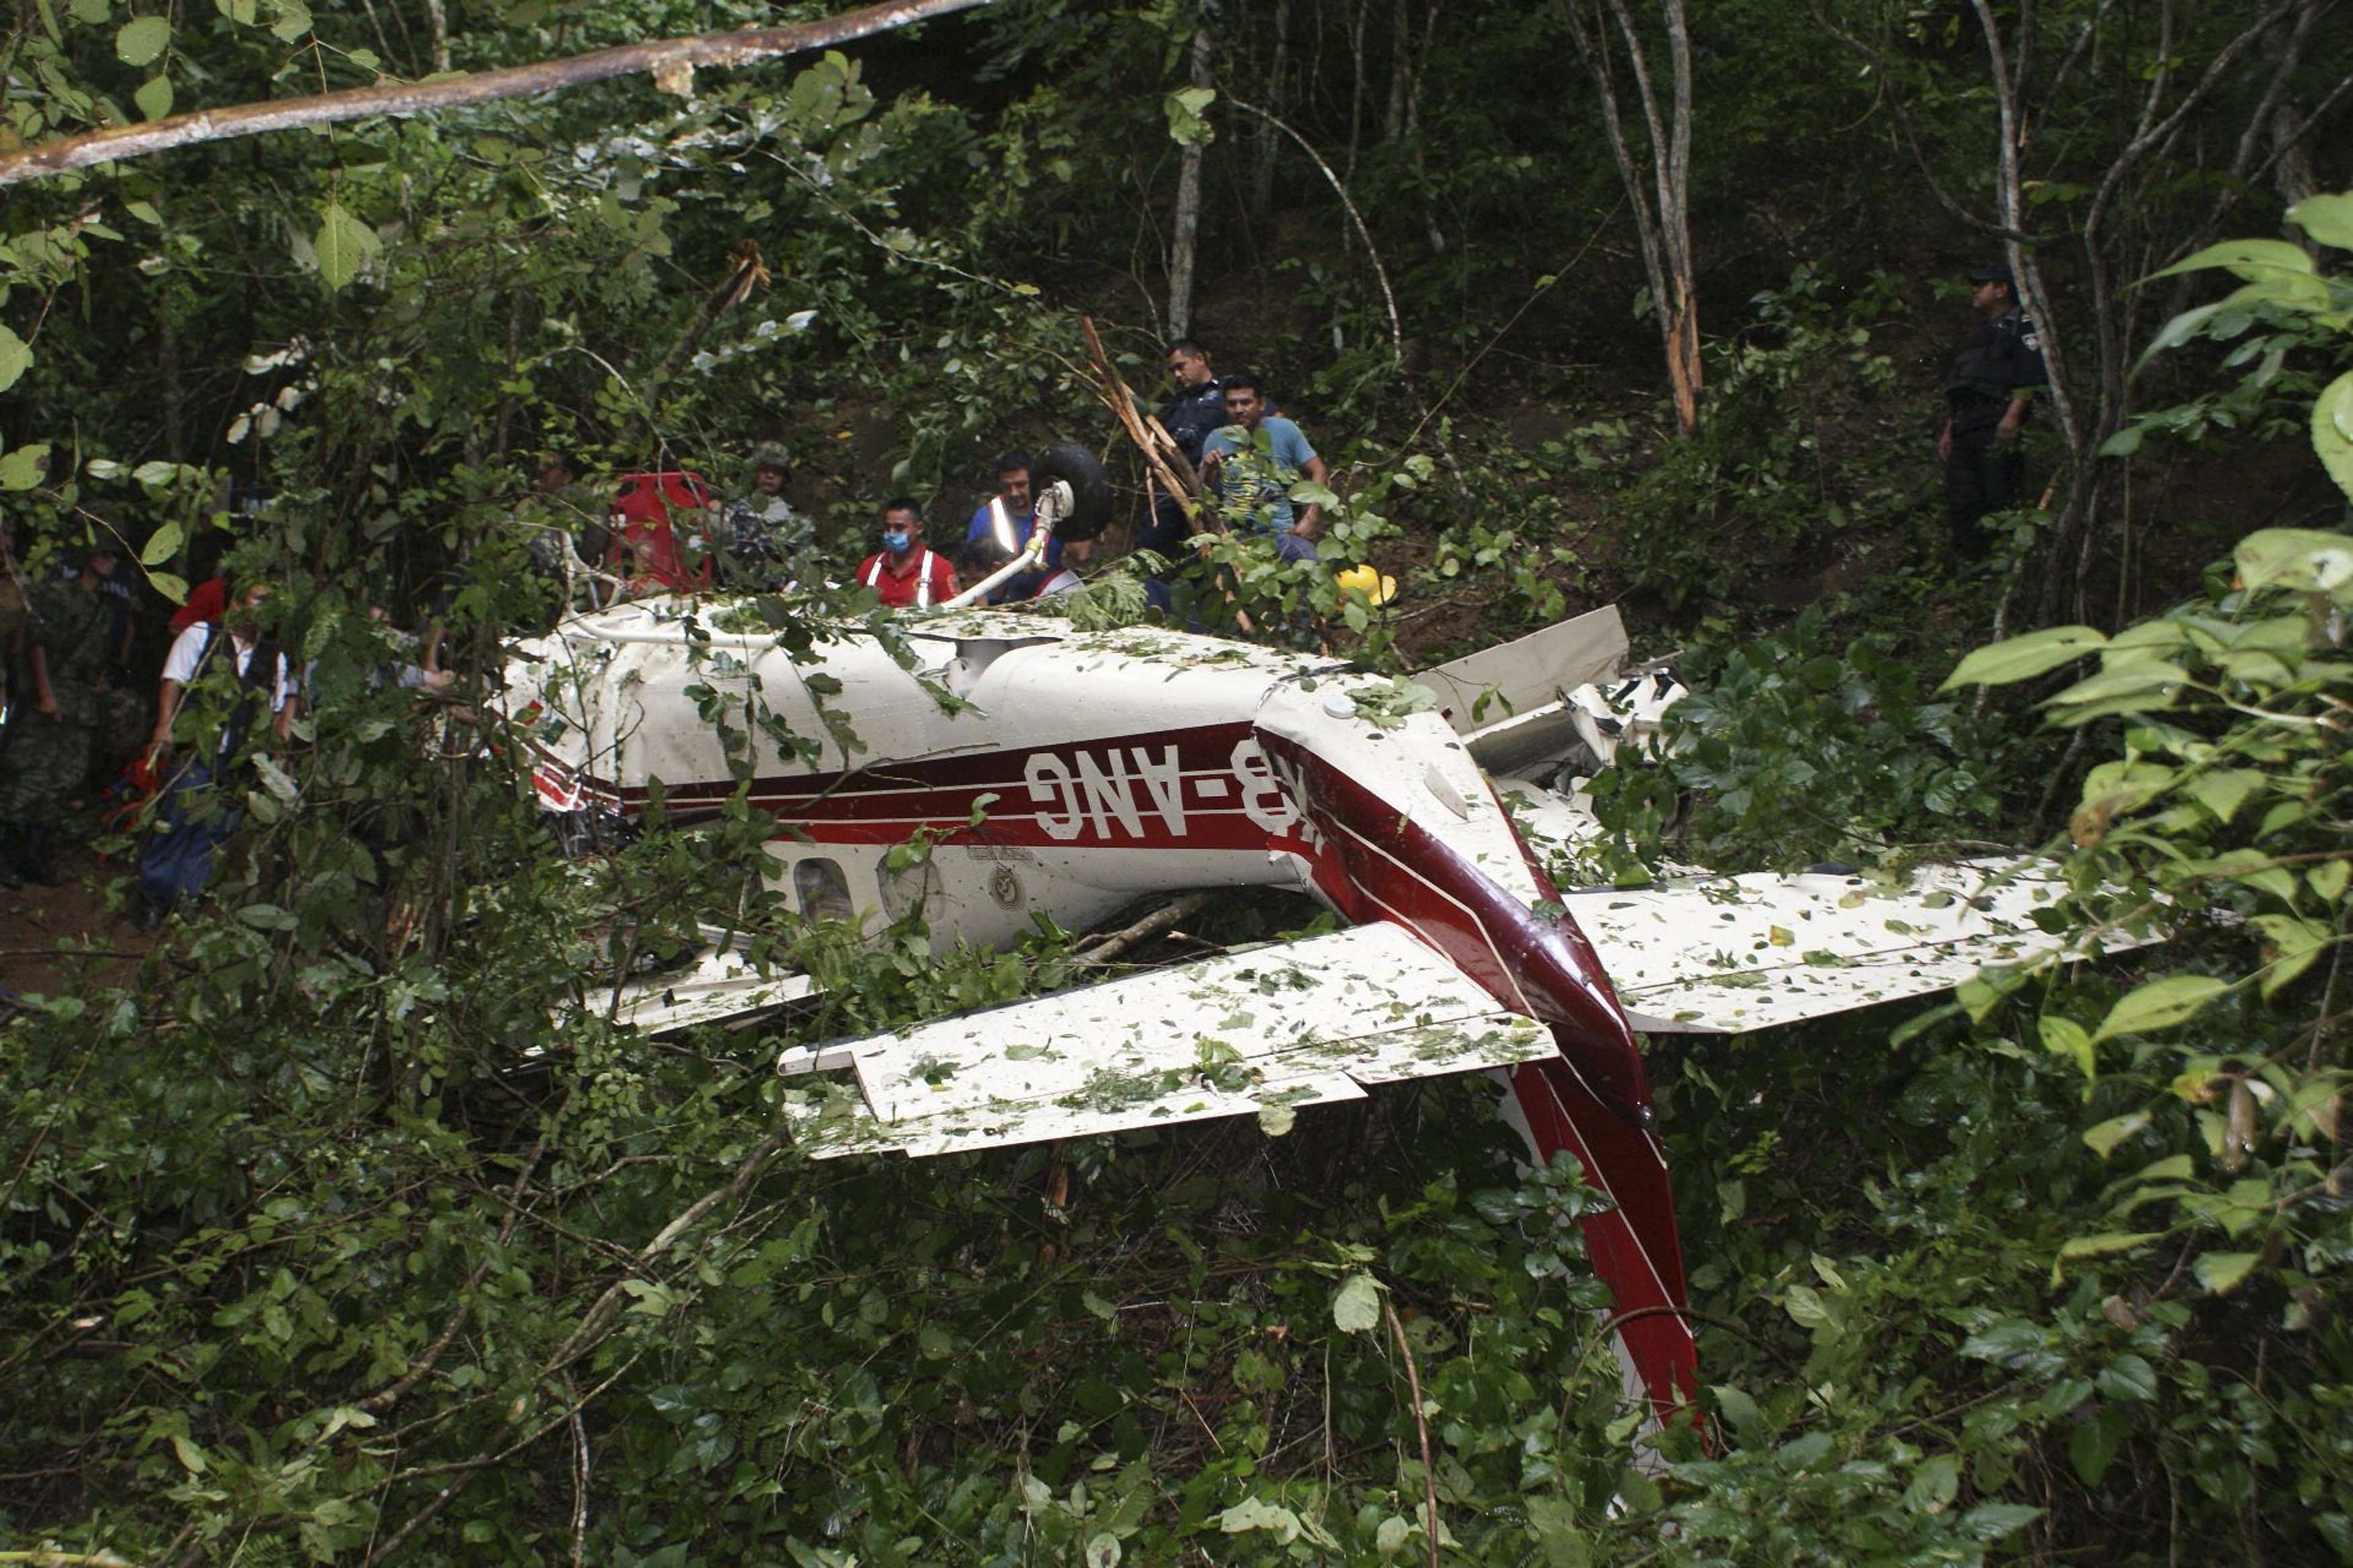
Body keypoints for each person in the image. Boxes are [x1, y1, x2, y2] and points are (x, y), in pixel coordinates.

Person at [136, 580, 293, 923]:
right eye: (258, 599)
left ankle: (187, 901)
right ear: (237, 603)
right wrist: (164, 726)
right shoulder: (202, 636)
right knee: (176, 820)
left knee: (215, 831)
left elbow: (276, 708)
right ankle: (153, 898)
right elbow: (173, 680)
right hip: (196, 751)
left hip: (238, 760)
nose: (264, 608)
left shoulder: (274, 656)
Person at [0, 542, 120, 887]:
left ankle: (35, 857)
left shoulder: (102, 606)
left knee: (64, 779)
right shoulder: (59, 594)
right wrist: (45, 693)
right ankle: (7, 856)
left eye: (115, 556)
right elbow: (36, 644)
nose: (110, 561)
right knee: (28, 776)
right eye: (104, 553)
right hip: (52, 694)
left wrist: (98, 682)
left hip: (81, 702)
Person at [1938, 261, 2047, 559]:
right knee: (1963, 500)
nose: (1975, 290)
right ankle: (1970, 564)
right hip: (1965, 426)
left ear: (2001, 290)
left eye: (1982, 285)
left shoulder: (2022, 324)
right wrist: (1949, 429)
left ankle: (2000, 562)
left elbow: (2030, 375)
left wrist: (2013, 416)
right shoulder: (1979, 335)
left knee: (1997, 494)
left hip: (1996, 421)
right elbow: (1962, 385)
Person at [1201, 373, 1328, 565]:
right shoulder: (1216, 438)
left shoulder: (1285, 430)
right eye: (1232, 404)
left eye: (1246, 403)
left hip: (1281, 532)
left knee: (1310, 562)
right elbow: (1203, 492)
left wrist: (1310, 518)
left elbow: (1318, 470)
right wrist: (1210, 468)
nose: (1239, 410)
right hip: (1235, 534)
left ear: (1261, 404)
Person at [1141, 339, 1228, 608]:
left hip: (1213, 487)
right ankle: (1144, 596)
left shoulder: (1226, 393)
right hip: (1174, 485)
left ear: (1199, 359)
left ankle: (1208, 608)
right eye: (1172, 371)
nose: (1177, 375)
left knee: (1206, 552)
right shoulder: (1178, 403)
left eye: (1181, 366)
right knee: (1152, 541)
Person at [710, 440, 811, 589]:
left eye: (777, 472)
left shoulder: (795, 522)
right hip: (725, 588)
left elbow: (797, 565)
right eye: (765, 470)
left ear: (784, 478)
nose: (770, 476)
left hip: (772, 591)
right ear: (754, 472)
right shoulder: (730, 510)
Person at [961, 451, 1058, 602]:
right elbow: (973, 573)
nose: (1014, 493)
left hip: (1053, 597)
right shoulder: (986, 517)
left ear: (1034, 482)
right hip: (1002, 605)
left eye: (1020, 485)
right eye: (1007, 487)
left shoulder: (1053, 511)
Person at [856, 499, 959, 610]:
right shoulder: (869, 567)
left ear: (919, 528)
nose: (892, 533)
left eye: (899, 528)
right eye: (888, 527)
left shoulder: (940, 569)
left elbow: (955, 612)